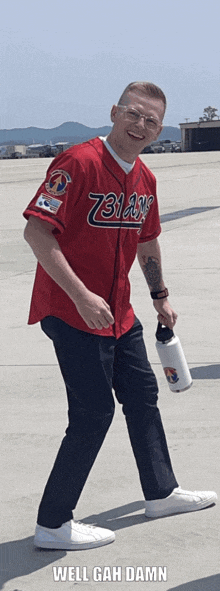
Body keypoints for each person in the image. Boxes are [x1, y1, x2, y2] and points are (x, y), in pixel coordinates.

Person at [23, 81, 217, 551]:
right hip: (72, 311)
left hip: (121, 312)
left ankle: (161, 492)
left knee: (144, 396)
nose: (141, 125)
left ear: (158, 130)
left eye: (151, 121)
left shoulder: (145, 179)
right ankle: (53, 523)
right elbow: (37, 233)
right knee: (93, 413)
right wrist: (83, 296)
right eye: (134, 113)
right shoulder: (78, 164)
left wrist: (160, 295)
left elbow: (147, 240)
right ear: (114, 112)